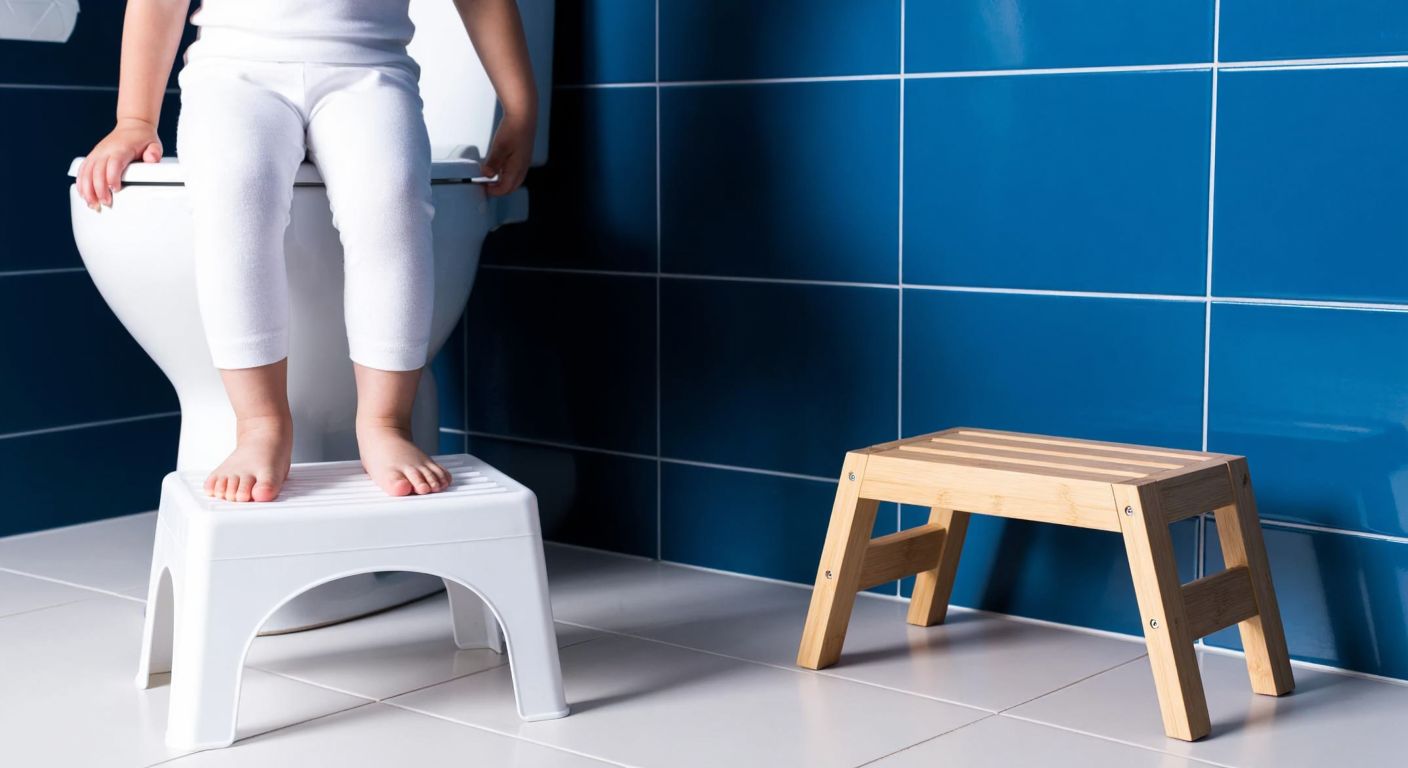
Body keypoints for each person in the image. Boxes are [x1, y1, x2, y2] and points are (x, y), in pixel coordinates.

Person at [75, 0, 536, 502]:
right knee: (236, 193)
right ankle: (260, 424)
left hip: (370, 68)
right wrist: (136, 118)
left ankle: (385, 422)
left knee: (393, 198)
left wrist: (520, 107)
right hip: (234, 72)